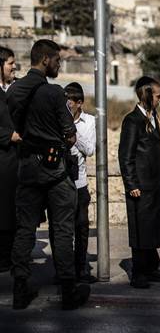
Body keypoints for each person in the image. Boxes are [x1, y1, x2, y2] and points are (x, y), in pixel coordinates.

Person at [7, 40, 88, 309]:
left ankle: (20, 288)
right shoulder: (54, 94)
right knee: (63, 230)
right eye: (56, 60)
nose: (58, 65)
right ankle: (68, 290)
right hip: (54, 172)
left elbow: (14, 126)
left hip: (27, 169)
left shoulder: (15, 90)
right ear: (44, 60)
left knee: (25, 231)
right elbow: (70, 133)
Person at [119, 75, 160, 290]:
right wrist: (131, 184)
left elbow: (154, 151)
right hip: (140, 186)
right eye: (158, 95)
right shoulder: (132, 121)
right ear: (147, 94)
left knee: (153, 227)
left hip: (154, 183)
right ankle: (139, 272)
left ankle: (152, 268)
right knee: (141, 229)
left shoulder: (153, 117)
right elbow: (126, 156)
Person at [63, 83, 97, 283]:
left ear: (79, 103)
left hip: (79, 182)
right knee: (61, 229)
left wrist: (73, 138)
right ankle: (63, 270)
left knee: (82, 227)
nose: (66, 107)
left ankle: (80, 267)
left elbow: (90, 149)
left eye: (69, 103)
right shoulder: (57, 118)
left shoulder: (89, 121)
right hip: (60, 181)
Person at [0, 46, 19, 275]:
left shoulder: (16, 89)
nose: (14, 67)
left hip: (14, 161)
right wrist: (8, 136)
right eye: (10, 63)